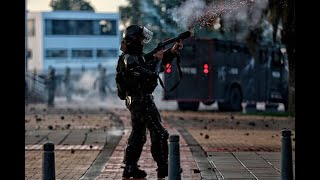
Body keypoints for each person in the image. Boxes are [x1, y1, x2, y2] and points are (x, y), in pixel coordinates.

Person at [115, 25, 183, 179]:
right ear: (135, 41)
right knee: (159, 133)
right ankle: (164, 167)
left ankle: (130, 168)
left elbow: (151, 63)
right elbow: (151, 75)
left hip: (138, 101)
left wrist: (170, 53)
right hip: (141, 101)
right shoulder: (129, 60)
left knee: (138, 135)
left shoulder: (133, 57)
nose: (143, 43)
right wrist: (159, 59)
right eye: (140, 39)